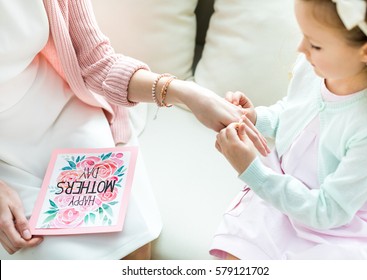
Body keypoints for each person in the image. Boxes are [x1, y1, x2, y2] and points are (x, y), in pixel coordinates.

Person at [0, 0, 270, 260]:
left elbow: (96, 61)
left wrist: (187, 93)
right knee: (55, 254)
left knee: (131, 243)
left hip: (63, 111)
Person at [210, 0, 367, 260]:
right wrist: (255, 117)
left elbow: (328, 210)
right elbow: (293, 112)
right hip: (283, 193)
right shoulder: (313, 66)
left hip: (337, 227)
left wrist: (252, 171)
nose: (300, 48)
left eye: (315, 44)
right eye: (303, 36)